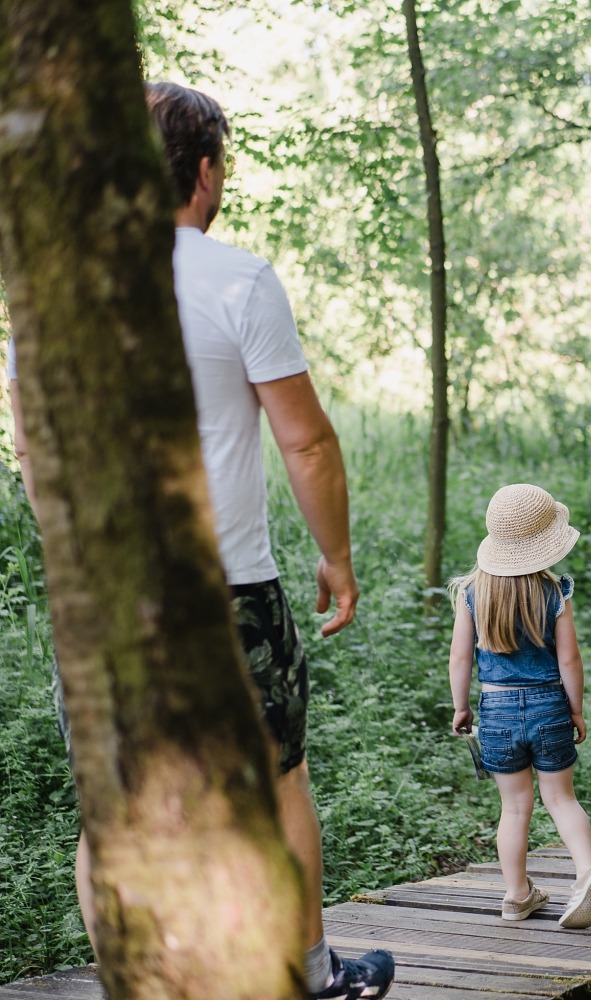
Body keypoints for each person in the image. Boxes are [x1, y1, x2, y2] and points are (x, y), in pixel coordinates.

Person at [7, 82, 394, 999]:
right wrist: (335, 559)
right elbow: (305, 439)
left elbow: (34, 448)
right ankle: (307, 974)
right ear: (206, 171)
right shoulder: (238, 280)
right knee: (277, 783)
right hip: (229, 590)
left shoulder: (50, 288)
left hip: (102, 600)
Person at [448, 483, 591, 928]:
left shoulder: (470, 593)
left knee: (515, 808)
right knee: (561, 798)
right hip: (549, 707)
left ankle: (518, 896)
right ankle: (586, 872)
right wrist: (575, 709)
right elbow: (570, 659)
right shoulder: (554, 591)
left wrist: (461, 707)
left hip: (497, 711)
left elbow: (461, 656)